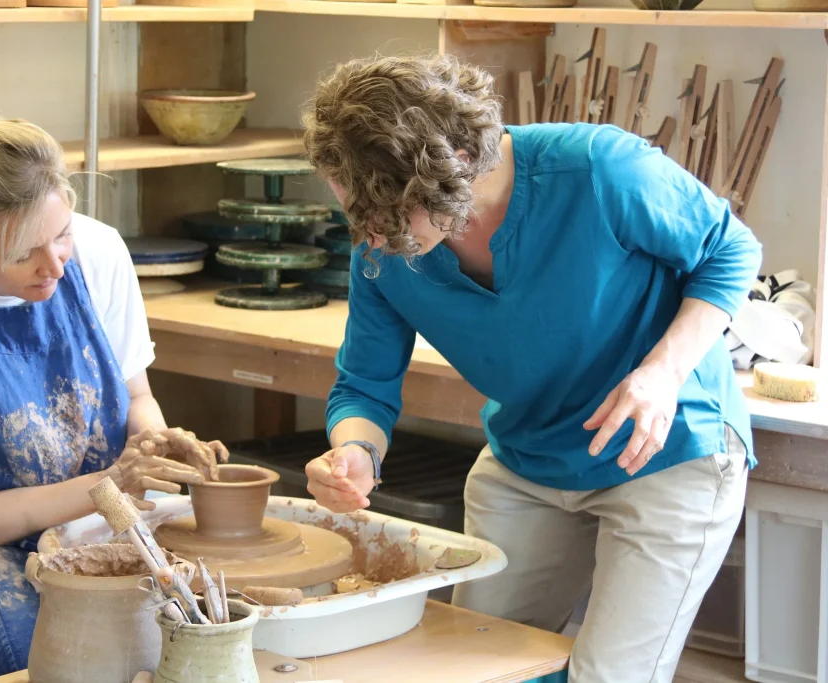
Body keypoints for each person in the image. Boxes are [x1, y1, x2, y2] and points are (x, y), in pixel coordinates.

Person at [300, 55, 762, 682]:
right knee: (476, 669)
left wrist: (661, 373)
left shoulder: (598, 169)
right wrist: (356, 451)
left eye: (382, 212)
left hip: (666, 449)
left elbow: (731, 249)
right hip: (529, 459)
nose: (368, 235)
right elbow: (364, 385)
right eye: (354, 211)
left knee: (608, 675)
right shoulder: (381, 252)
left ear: (453, 165)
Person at [0, 99, 225, 683]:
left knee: (202, 618)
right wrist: (110, 487)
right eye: (23, 252)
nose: (53, 265)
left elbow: (135, 397)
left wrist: (155, 444)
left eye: (60, 235)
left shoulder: (100, 252)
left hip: (97, 509)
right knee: (50, 660)